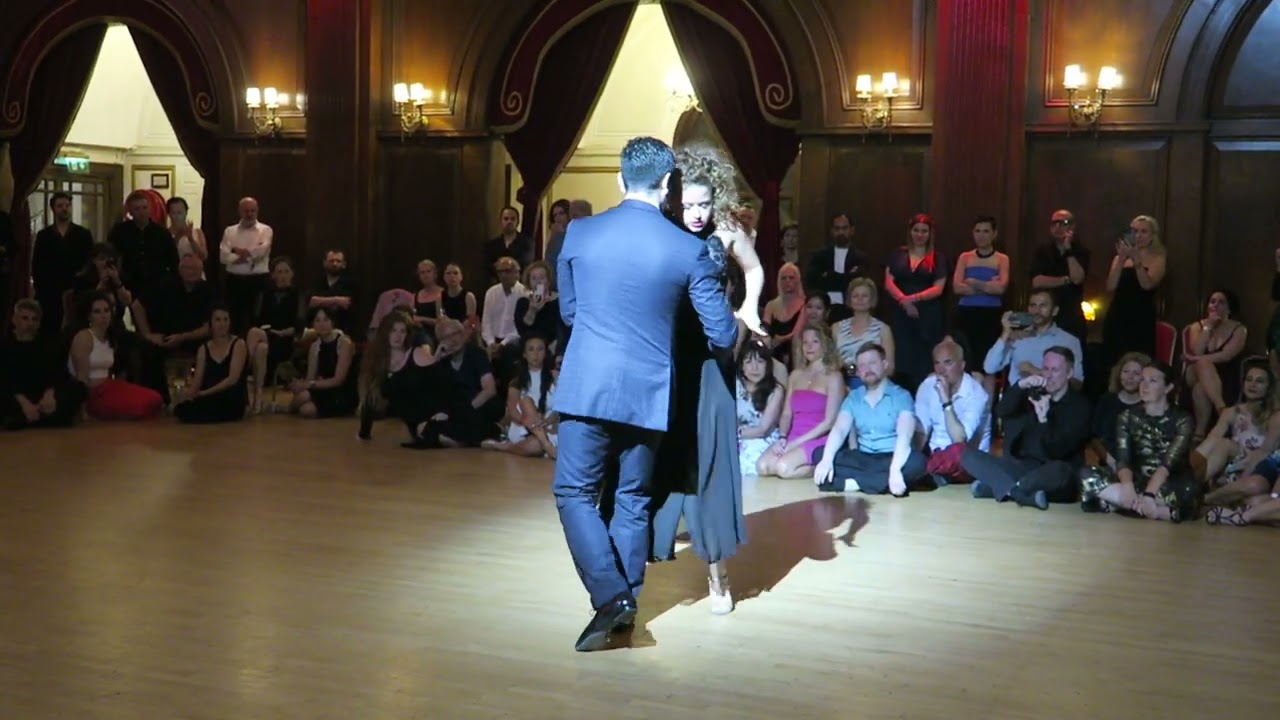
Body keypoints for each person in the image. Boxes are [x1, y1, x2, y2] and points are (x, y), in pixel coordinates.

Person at [552, 136, 737, 652]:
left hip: (588, 386)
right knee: (632, 501)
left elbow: (569, 314)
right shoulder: (688, 248)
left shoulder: (580, 232)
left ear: (619, 179)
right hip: (651, 393)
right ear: (669, 185)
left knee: (574, 493)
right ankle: (625, 612)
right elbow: (721, 335)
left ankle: (612, 599)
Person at [650, 144, 759, 616]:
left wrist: (749, 307)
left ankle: (718, 573)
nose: (696, 214)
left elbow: (754, 270)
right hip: (671, 357)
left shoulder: (729, 232)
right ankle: (644, 557)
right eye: (688, 204)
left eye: (704, 204)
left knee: (712, 459)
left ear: (716, 199)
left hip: (714, 359)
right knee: (665, 453)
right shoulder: (663, 230)